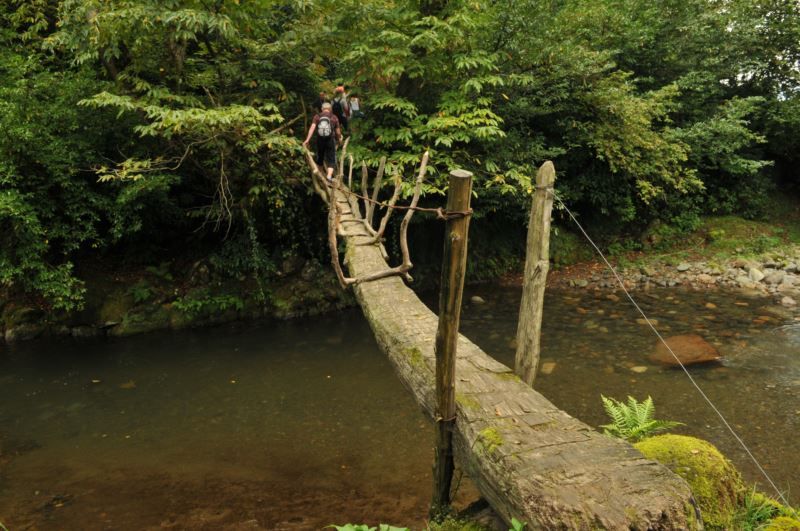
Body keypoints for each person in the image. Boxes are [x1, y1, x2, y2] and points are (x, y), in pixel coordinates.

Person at [302, 102, 342, 182]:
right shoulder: (334, 117)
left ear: (322, 109)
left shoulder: (317, 116)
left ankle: (319, 175)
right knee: (331, 158)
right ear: (330, 109)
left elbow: (312, 128)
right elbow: (338, 132)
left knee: (320, 156)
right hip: (330, 139)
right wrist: (339, 139)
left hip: (320, 139)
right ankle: (329, 176)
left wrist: (307, 139)